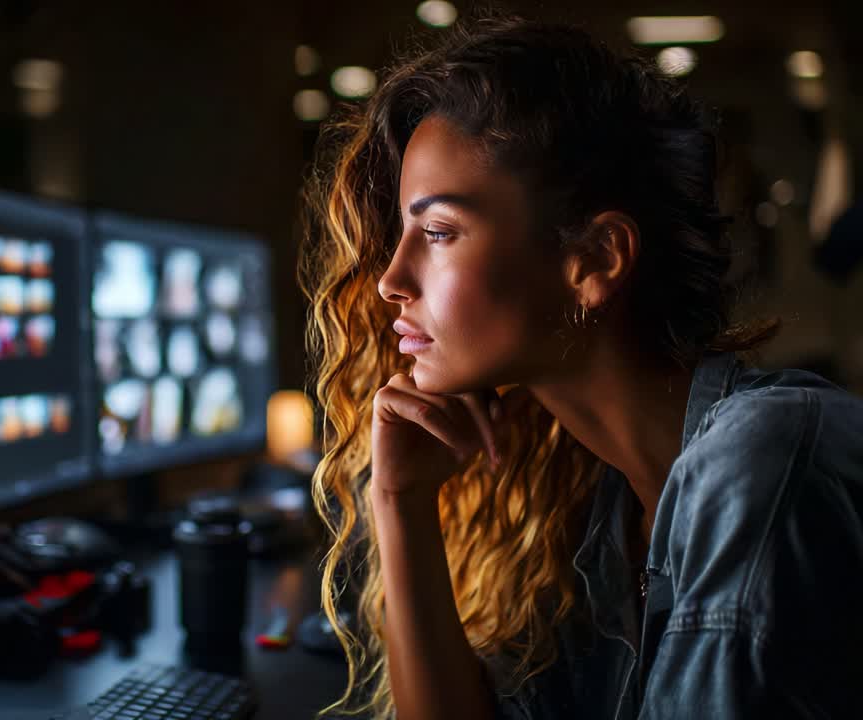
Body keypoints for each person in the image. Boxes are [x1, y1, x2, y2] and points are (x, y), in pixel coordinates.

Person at [300, 12, 863, 720]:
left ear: (595, 259)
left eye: (438, 232)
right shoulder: (598, 505)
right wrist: (402, 503)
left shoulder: (760, 463)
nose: (390, 279)